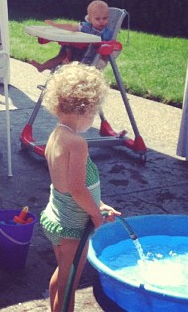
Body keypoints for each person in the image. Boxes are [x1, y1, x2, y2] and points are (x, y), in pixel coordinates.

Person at [39, 62, 120, 312]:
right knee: (69, 286)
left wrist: (100, 205)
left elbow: (69, 184)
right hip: (72, 227)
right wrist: (95, 215)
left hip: (57, 218)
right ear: (84, 109)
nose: (92, 119)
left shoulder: (56, 134)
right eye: (94, 113)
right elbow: (77, 189)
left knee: (63, 275)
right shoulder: (77, 143)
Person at [30, 0, 113, 72]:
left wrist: (103, 58)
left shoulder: (107, 33)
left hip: (87, 55)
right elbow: (71, 27)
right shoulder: (86, 26)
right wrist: (55, 25)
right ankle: (42, 67)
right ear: (90, 20)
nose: (101, 21)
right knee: (62, 56)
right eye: (97, 19)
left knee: (69, 61)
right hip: (75, 48)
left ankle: (67, 68)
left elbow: (108, 46)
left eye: (105, 18)